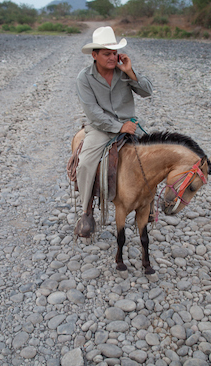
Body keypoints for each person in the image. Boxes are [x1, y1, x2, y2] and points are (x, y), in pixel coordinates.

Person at [75, 26, 154, 237]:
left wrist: (129, 71)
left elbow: (147, 92)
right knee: (84, 163)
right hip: (101, 128)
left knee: (152, 157)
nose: (112, 57)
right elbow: (92, 112)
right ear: (95, 55)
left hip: (129, 125)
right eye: (106, 53)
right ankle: (86, 212)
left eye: (114, 53)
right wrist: (119, 127)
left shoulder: (122, 70)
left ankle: (148, 202)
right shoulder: (84, 78)